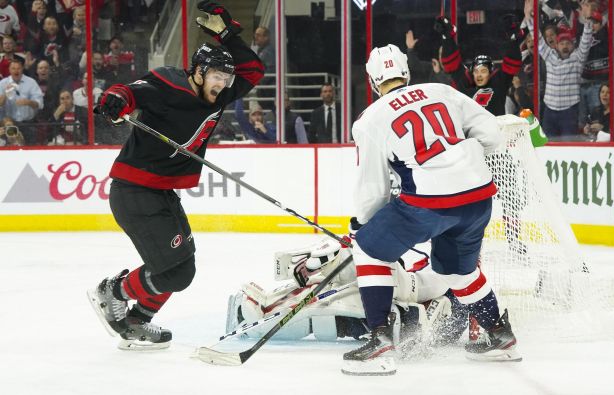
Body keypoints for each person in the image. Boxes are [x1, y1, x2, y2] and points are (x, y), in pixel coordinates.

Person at [87, 1, 264, 350]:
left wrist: (227, 33)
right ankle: (113, 292)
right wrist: (114, 101)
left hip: (162, 193)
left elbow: (254, 70)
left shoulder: (220, 95)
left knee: (184, 268)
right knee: (175, 272)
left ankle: (136, 322)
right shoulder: (169, 83)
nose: (223, 84)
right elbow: (128, 92)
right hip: (135, 191)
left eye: (226, 78)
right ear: (198, 71)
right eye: (216, 76)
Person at [341, 44, 520, 376]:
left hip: (431, 202)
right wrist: (459, 161)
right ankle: (499, 335)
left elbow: (373, 189)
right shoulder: (442, 90)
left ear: (372, 81)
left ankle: (379, 339)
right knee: (458, 271)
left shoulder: (370, 120)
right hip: (479, 197)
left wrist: (361, 226)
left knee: (368, 247)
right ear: (406, 73)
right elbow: (493, 134)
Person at [225, 237, 468, 355]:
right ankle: (268, 305)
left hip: (405, 300)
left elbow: (425, 286)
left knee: (348, 279)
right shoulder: (445, 276)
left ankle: (265, 315)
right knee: (336, 281)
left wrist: (353, 251)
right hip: (398, 301)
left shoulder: (446, 288)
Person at [525, 6, 593, 138]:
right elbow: (537, 38)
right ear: (556, 45)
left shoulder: (578, 59)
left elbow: (586, 39)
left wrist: (588, 19)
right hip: (549, 111)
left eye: (568, 43)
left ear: (573, 46)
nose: (565, 46)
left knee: (569, 147)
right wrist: (528, 17)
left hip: (569, 111)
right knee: (548, 146)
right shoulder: (549, 56)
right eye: (562, 43)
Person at [437, 14, 523, 116]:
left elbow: (512, 64)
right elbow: (451, 65)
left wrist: (513, 41)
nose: (479, 75)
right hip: (470, 131)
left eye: (483, 71)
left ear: (490, 73)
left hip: (494, 129)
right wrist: (447, 38)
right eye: (476, 71)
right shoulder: (465, 84)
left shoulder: (499, 84)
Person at [0, 59, 44, 123]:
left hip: (29, 123)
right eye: (13, 68)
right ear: (9, 70)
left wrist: (29, 102)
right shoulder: (2, 83)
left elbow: (40, 104)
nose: (16, 71)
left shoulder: (31, 82)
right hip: (9, 122)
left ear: (22, 69)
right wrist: (5, 95)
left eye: (18, 68)